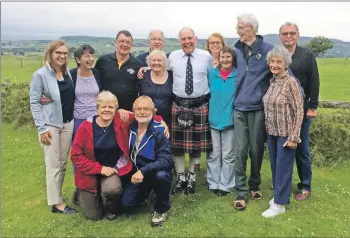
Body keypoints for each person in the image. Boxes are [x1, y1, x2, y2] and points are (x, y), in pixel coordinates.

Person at [70, 91, 167, 221]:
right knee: (94, 216)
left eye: (111, 107)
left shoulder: (120, 121)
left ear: (116, 109)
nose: (107, 110)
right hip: (90, 173)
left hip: (112, 170)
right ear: (97, 108)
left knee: (113, 190)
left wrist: (161, 121)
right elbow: (76, 156)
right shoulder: (85, 127)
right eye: (103, 107)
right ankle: (81, 192)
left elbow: (143, 114)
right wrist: (99, 169)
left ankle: (110, 207)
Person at [29, 40, 77, 214]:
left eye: (65, 53)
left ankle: (57, 196)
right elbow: (34, 101)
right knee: (53, 164)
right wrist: (41, 128)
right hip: (50, 125)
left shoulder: (67, 74)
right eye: (59, 53)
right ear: (50, 53)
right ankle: (57, 204)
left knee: (63, 163)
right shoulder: (40, 75)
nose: (62, 56)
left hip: (67, 123)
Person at [232, 13, 273, 210]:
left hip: (258, 109)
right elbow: (220, 65)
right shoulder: (236, 49)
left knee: (256, 150)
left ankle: (254, 184)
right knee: (240, 150)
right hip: (238, 108)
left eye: (240, 27)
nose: (237, 30)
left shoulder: (268, 50)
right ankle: (240, 190)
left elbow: (284, 70)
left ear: (250, 28)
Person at [168, 27, 213, 195]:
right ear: (179, 41)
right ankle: (180, 177)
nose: (187, 42)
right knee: (177, 146)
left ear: (196, 38)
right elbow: (164, 75)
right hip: (178, 105)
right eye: (183, 39)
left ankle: (192, 176)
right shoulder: (172, 56)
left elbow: (211, 77)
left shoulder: (206, 57)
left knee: (196, 147)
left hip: (200, 105)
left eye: (189, 38)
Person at [279, 22, 320, 201]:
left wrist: (312, 107)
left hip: (301, 111)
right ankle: (282, 183)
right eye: (285, 33)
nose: (288, 36)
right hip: (281, 112)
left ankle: (305, 186)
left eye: (292, 33)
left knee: (301, 149)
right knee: (282, 148)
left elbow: (314, 80)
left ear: (298, 35)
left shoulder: (306, 55)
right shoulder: (277, 55)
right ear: (280, 36)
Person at [262, 46, 304, 218]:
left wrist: (294, 137)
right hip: (272, 132)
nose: (275, 64)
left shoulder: (290, 82)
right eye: (272, 61)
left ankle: (280, 205)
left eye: (279, 61)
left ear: (286, 64)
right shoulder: (273, 81)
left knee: (283, 168)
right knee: (275, 167)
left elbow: (299, 110)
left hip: (286, 134)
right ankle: (279, 196)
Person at [120, 96, 173, 227]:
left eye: (146, 109)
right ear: (133, 111)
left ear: (153, 111)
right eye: (139, 109)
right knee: (126, 205)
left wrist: (144, 171)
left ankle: (161, 209)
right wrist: (119, 110)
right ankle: (147, 192)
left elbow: (166, 161)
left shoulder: (160, 130)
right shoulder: (129, 127)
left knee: (162, 176)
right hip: (136, 175)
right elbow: (107, 114)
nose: (142, 112)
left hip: (154, 172)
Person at [207, 46, 237, 196]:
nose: (225, 60)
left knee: (228, 155)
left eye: (228, 57)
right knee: (213, 154)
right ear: (218, 59)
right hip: (212, 121)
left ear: (233, 58)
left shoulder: (238, 76)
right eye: (222, 57)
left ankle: (225, 184)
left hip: (230, 122)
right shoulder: (212, 74)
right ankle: (213, 182)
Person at [95, 30, 142, 122]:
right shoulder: (103, 61)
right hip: (106, 112)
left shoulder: (138, 64)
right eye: (122, 41)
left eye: (128, 42)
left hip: (128, 115)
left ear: (131, 45)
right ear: (115, 42)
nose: (125, 44)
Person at [139, 49, 173, 128]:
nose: (156, 63)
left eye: (159, 60)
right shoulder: (142, 75)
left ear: (164, 62)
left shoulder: (172, 76)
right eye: (153, 60)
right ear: (149, 62)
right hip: (146, 119)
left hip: (168, 120)